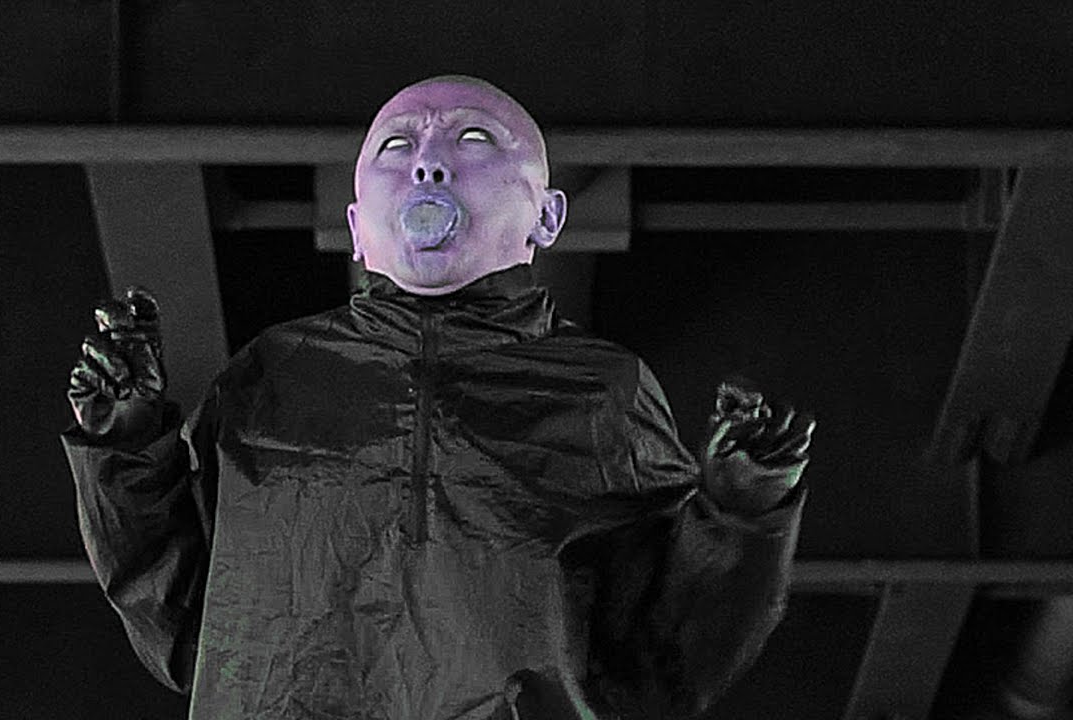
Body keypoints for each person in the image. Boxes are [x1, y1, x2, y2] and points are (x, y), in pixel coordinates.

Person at [63, 75, 814, 720]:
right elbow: (183, 626)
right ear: (357, 228)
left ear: (547, 217)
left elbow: (666, 663)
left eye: (473, 139)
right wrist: (127, 441)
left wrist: (743, 510)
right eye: (398, 145)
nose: (427, 163)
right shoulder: (269, 378)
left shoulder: (605, 394)